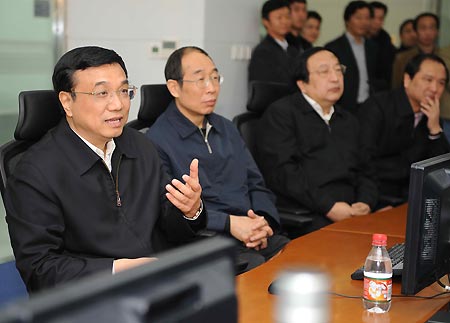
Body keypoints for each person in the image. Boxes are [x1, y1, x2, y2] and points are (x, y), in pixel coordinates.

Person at [5, 46, 206, 293]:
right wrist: (117, 270)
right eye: (102, 93)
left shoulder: (140, 145)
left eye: (124, 91)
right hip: (96, 296)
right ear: (67, 101)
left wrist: (190, 210)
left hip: (160, 281)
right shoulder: (34, 171)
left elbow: (167, 223)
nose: (118, 104)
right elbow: (40, 268)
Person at [147, 46, 290, 272]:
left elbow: (256, 183)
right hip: (205, 238)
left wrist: (262, 223)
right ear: (174, 87)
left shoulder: (227, 127)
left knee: (295, 255)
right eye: (200, 79)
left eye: (215, 78)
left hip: (249, 232)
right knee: (256, 269)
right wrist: (231, 224)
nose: (212, 88)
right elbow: (167, 210)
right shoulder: (156, 139)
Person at [257, 47, 378, 233]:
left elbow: (366, 169)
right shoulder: (282, 114)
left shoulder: (349, 120)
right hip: (308, 212)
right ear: (302, 84)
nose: (335, 78)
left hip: (353, 211)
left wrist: (366, 201)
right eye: (324, 71)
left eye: (339, 70)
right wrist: (328, 206)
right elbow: (284, 173)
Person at [358, 53, 450, 203]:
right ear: (407, 79)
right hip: (376, 195)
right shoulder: (377, 106)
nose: (434, 88)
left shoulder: (432, 115)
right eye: (428, 80)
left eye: (441, 83)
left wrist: (435, 129)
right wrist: (374, 202)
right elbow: (363, 160)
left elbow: (442, 172)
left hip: (411, 197)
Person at [325, 1, 383, 114]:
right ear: (347, 20)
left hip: (369, 105)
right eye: (358, 17)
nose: (363, 22)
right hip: (343, 106)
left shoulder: (373, 47)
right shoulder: (333, 47)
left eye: (367, 18)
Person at [248, 0, 299, 84]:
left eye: (287, 17)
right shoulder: (262, 52)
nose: (284, 21)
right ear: (266, 22)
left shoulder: (293, 49)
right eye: (279, 17)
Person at [392, 13, 439, 89]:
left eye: (431, 28)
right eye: (423, 28)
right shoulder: (402, 58)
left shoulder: (446, 56)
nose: (427, 32)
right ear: (416, 32)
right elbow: (396, 87)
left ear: (437, 31)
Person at [367, 1, 396, 88]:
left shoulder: (386, 42)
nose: (376, 22)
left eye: (380, 18)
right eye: (373, 17)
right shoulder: (357, 39)